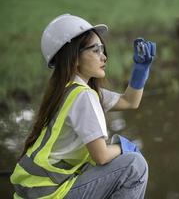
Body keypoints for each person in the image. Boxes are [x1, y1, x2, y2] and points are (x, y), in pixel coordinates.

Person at [10, 14, 156, 199]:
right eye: (95, 50)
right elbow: (101, 156)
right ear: (74, 57)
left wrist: (140, 70)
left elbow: (129, 101)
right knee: (134, 165)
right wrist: (125, 146)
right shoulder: (83, 96)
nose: (104, 57)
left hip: (36, 190)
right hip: (50, 194)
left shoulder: (68, 90)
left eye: (102, 49)